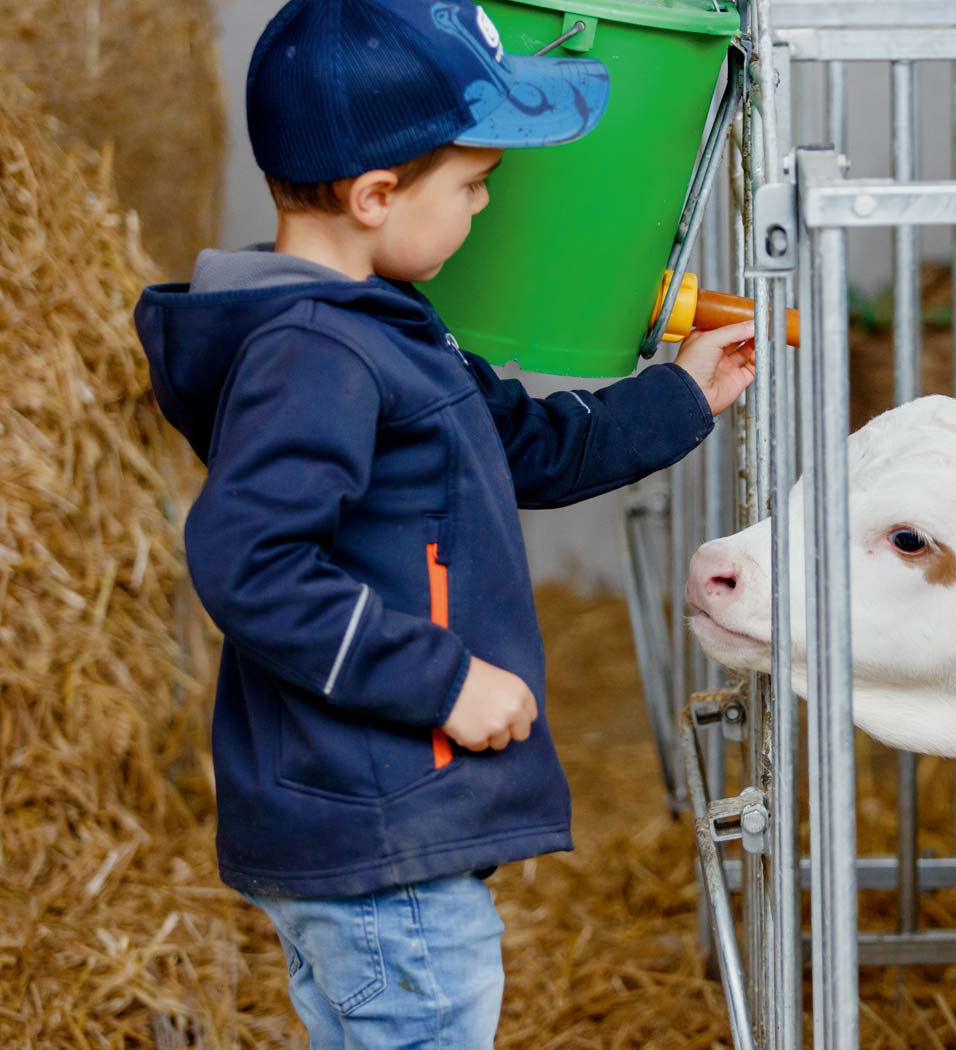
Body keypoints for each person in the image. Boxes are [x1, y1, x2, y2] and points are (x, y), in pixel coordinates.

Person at [132, 0, 754, 1044]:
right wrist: (446, 679)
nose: (480, 211)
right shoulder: (316, 354)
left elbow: (517, 445)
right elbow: (250, 560)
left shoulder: (383, 327)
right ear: (376, 194)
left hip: (380, 819)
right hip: (380, 821)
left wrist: (680, 397)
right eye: (471, 187)